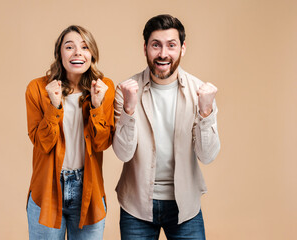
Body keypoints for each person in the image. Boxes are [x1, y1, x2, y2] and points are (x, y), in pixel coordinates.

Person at [112, 14, 221, 240]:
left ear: (182, 49)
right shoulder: (126, 91)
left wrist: (206, 113)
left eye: (171, 45)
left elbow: (208, 156)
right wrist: (129, 110)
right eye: (156, 45)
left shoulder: (200, 92)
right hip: (137, 205)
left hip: (185, 206)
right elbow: (123, 153)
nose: (163, 54)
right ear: (145, 48)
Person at [25, 25, 114, 240]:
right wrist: (54, 106)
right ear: (59, 54)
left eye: (84, 47)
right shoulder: (38, 89)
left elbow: (102, 143)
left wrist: (96, 105)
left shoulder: (104, 88)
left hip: (89, 190)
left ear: (91, 54)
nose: (77, 53)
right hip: (47, 189)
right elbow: (42, 143)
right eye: (69, 47)